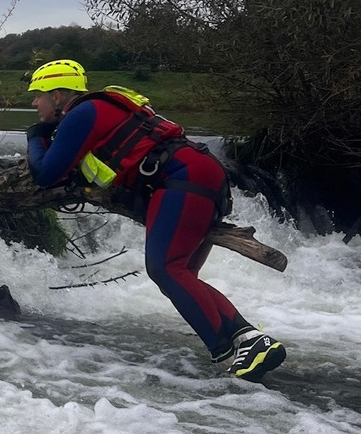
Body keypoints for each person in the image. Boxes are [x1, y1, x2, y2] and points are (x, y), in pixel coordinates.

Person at [23, 59, 286, 382]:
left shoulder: (80, 113)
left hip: (183, 179)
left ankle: (226, 352)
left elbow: (46, 173)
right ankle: (249, 340)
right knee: (182, 274)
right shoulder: (97, 108)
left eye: (38, 95)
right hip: (202, 174)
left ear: (57, 96)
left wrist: (35, 136)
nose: (34, 103)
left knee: (166, 269)